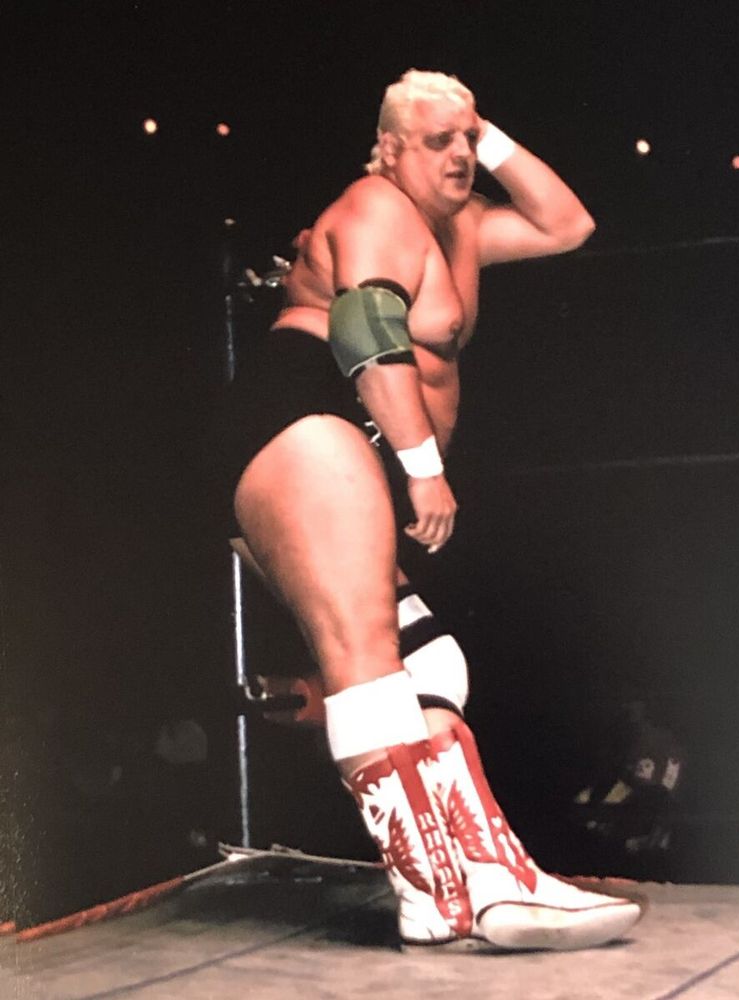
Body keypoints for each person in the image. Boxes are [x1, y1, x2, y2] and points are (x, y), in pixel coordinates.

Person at [223, 69, 643, 951]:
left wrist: (485, 135)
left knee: (431, 665)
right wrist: (423, 470)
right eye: (436, 140)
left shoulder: (465, 227)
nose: (458, 155)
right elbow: (363, 325)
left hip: (346, 441)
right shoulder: (377, 205)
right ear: (388, 149)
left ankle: (483, 875)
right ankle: (437, 891)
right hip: (311, 418)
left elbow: (569, 224)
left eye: (467, 139)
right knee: (367, 658)